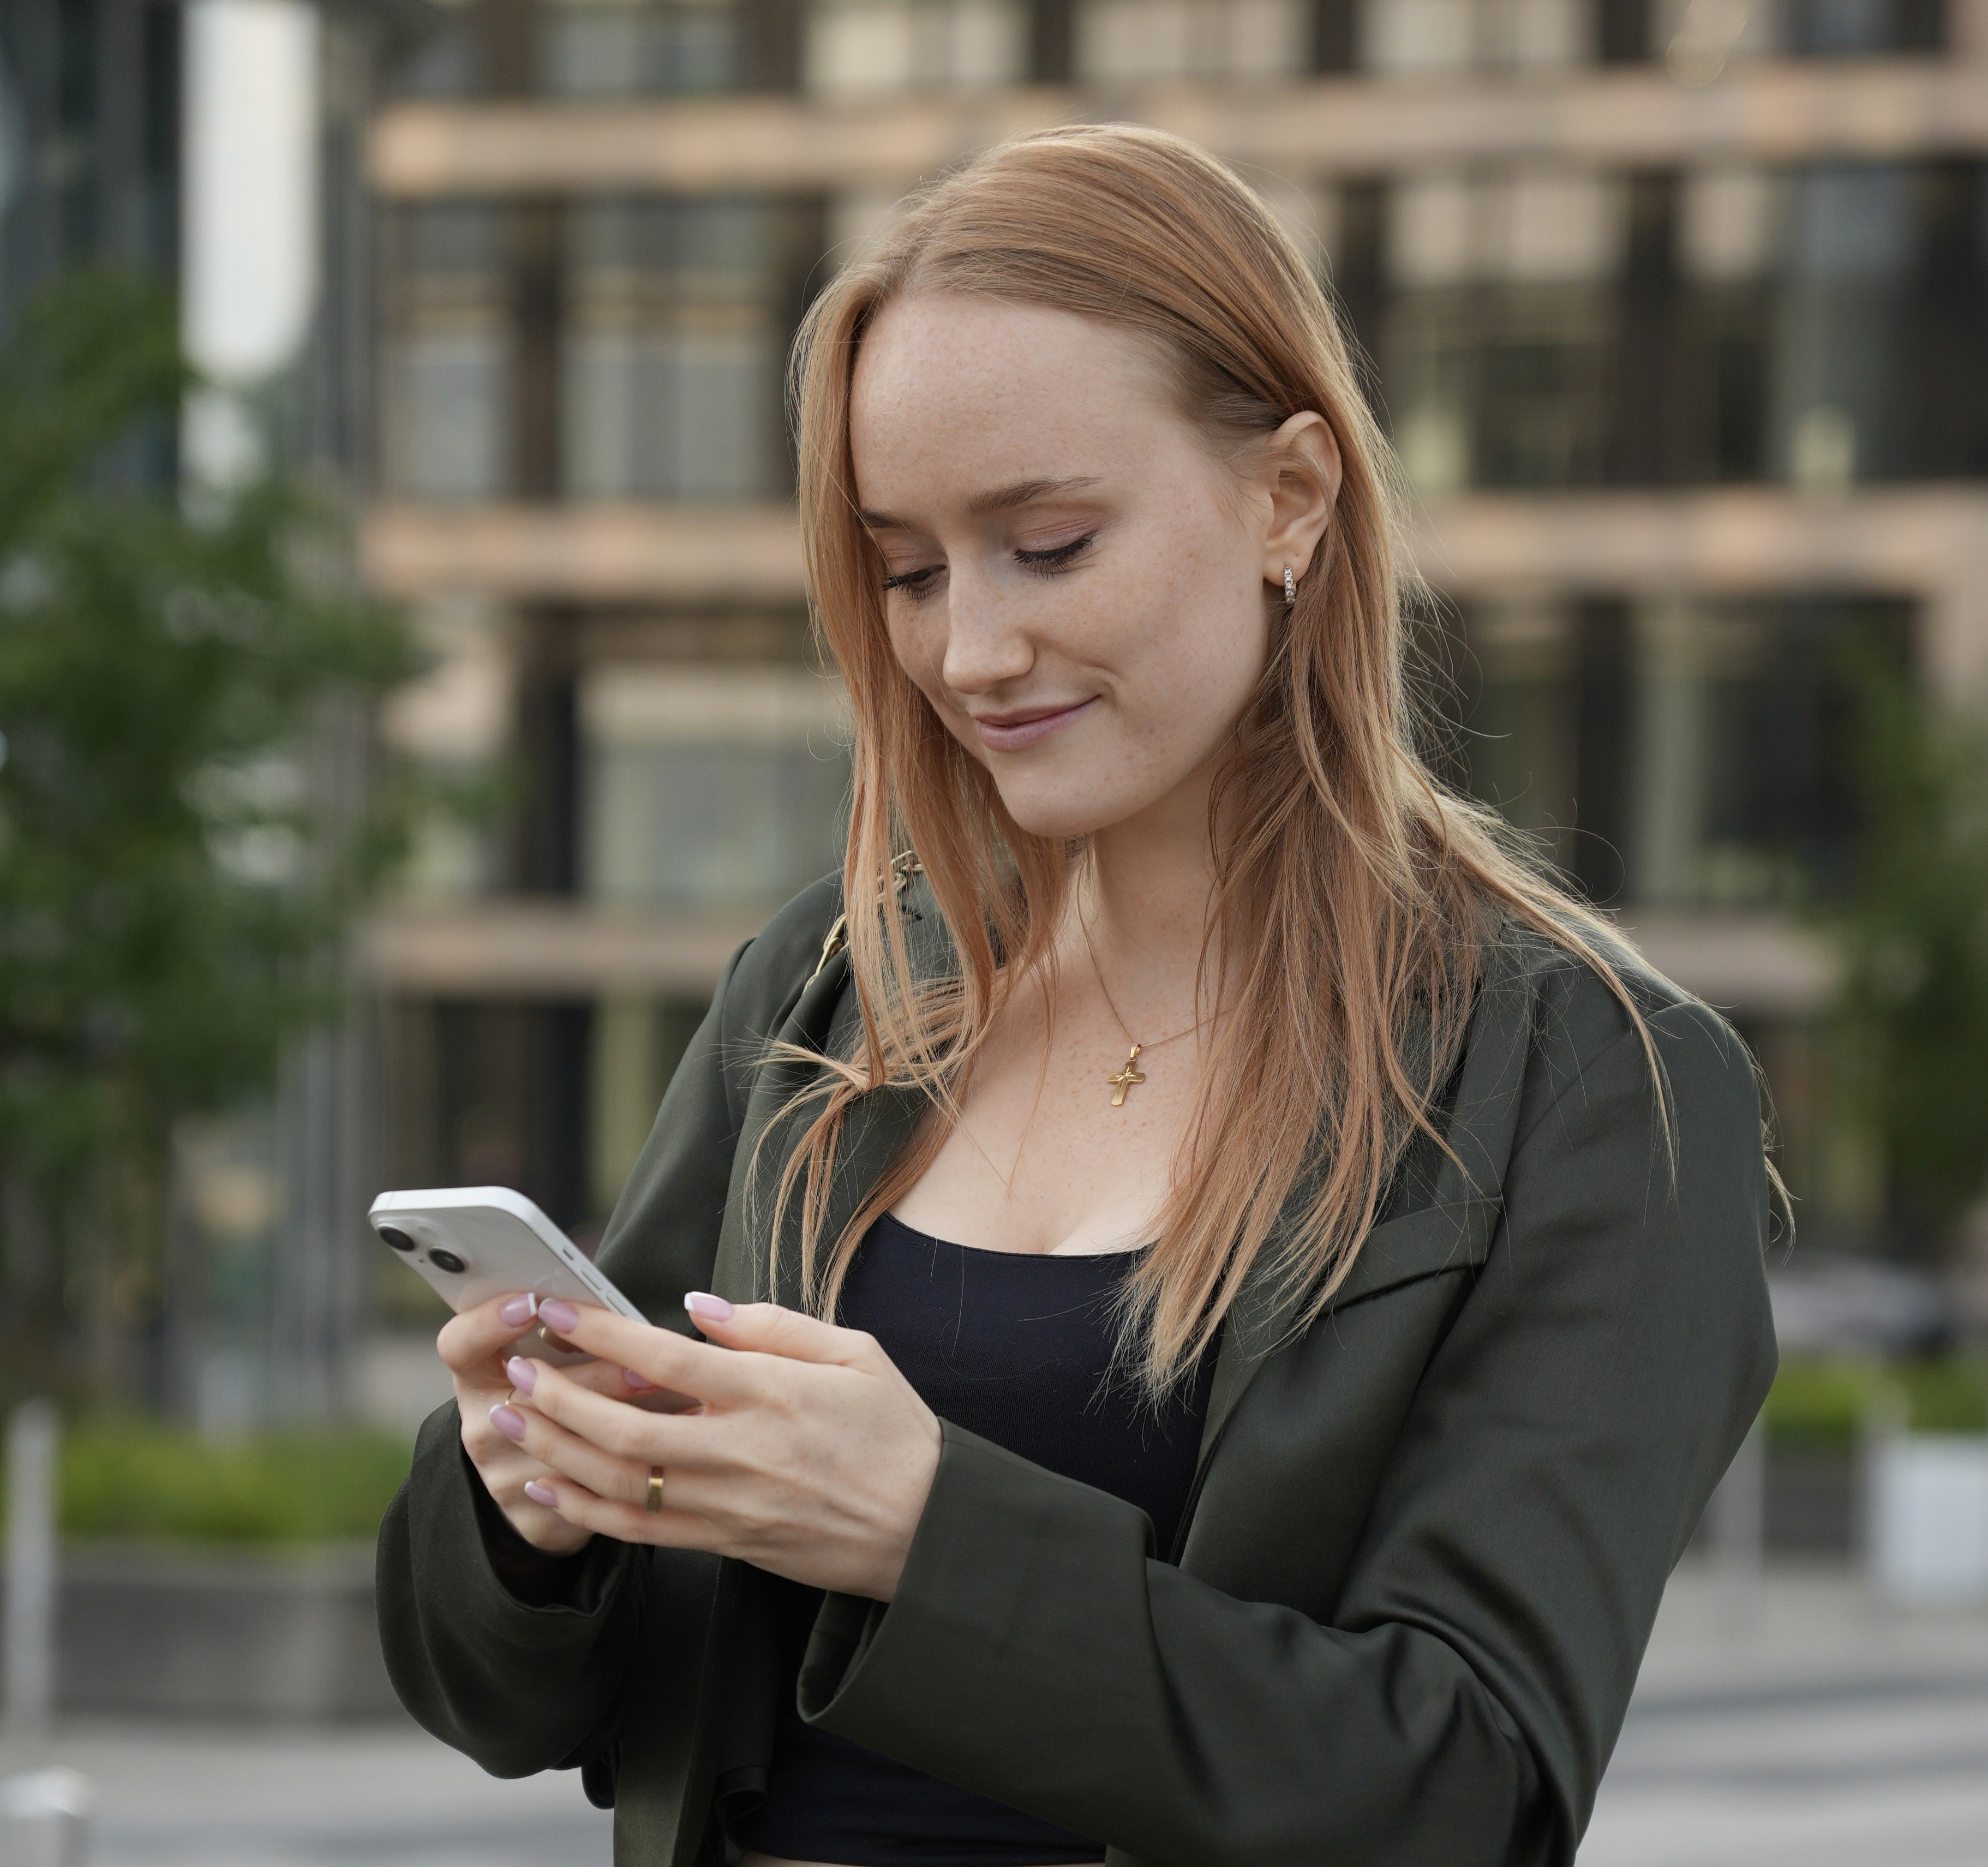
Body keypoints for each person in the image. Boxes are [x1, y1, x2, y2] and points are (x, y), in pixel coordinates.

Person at [376, 124, 1776, 1867]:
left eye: (1046, 547)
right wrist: (530, 1515)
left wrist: (922, 1533)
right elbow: (518, 1703)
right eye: (906, 569)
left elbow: (1460, 1790)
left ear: (1288, 500)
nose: (966, 650)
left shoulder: (1590, 1086)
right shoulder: (820, 993)